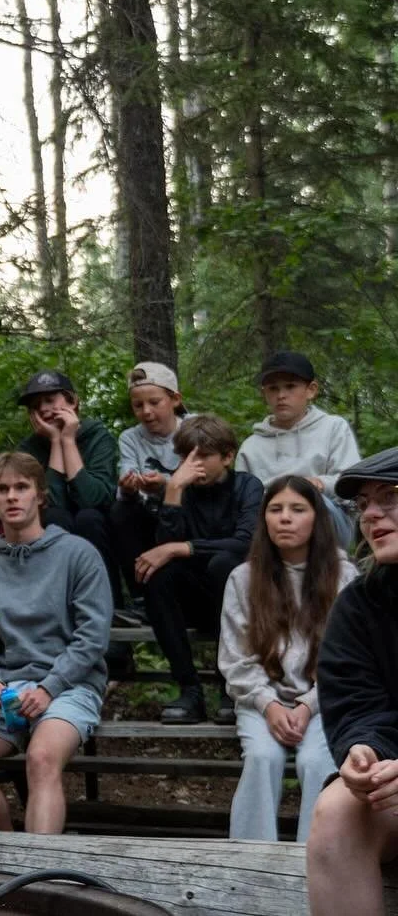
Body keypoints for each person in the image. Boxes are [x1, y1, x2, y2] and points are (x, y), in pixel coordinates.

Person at [0, 452, 111, 834]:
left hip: (69, 686)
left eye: (21, 487)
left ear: (40, 496)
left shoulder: (78, 554)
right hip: (7, 691)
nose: (12, 497)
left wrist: (50, 687)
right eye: (2, 489)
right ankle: (7, 866)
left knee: (41, 757)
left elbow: (92, 636)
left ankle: (37, 879)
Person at [219, 475, 353, 842]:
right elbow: (236, 659)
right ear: (264, 519)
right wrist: (269, 705)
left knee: (315, 762)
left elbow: (346, 662)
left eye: (298, 509)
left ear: (317, 519)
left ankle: (316, 861)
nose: (285, 518)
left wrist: (308, 706)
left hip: (325, 702)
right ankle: (249, 865)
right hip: (260, 699)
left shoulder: (344, 577)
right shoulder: (243, 578)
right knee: (263, 758)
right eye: (275, 510)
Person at [306, 450, 398, 916]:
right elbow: (358, 705)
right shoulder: (359, 605)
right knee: (340, 808)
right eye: (364, 504)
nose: (372, 514)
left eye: (391, 496)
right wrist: (366, 749)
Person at [139, 415, 262, 724]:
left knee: (224, 565)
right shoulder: (182, 489)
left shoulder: (248, 486)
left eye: (204, 456)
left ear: (227, 456)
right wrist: (172, 491)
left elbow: (245, 543)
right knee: (159, 574)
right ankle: (189, 689)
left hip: (241, 601)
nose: (194, 464)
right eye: (185, 457)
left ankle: (228, 688)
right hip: (194, 599)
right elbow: (162, 550)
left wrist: (184, 548)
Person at [16, 369, 122, 601]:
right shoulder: (28, 449)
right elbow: (52, 502)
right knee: (56, 519)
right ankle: (60, 601)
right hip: (53, 528)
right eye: (35, 406)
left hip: (99, 527)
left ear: (72, 401)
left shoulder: (97, 436)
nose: (43, 409)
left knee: (89, 517)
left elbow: (92, 499)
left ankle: (110, 602)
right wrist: (56, 441)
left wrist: (68, 440)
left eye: (50, 400)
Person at [236, 351, 362, 546]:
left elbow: (352, 483)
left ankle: (323, 565)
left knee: (316, 506)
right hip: (271, 523)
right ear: (264, 394)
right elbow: (244, 500)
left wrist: (320, 483)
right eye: (273, 388)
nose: (281, 395)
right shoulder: (251, 447)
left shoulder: (333, 428)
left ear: (311, 390)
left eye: (290, 386)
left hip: (327, 515)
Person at [111, 362, 189, 604]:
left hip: (188, 513)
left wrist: (166, 485)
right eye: (138, 405)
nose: (146, 411)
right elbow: (127, 474)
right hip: (149, 515)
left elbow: (208, 481)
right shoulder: (130, 438)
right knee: (120, 512)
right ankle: (140, 596)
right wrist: (128, 488)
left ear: (174, 399)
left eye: (154, 403)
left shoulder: (194, 428)